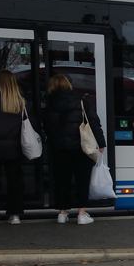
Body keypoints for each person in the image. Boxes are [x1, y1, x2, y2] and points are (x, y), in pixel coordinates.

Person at [46, 74, 105, 225]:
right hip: (81, 148)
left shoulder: (49, 104)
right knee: (82, 181)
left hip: (58, 147)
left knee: (62, 180)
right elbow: (94, 123)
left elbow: (46, 127)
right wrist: (101, 143)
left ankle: (62, 213)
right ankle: (81, 214)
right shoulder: (82, 102)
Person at [0, 70, 38, 225]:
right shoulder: (21, 103)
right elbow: (33, 125)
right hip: (15, 149)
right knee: (15, 181)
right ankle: (14, 214)